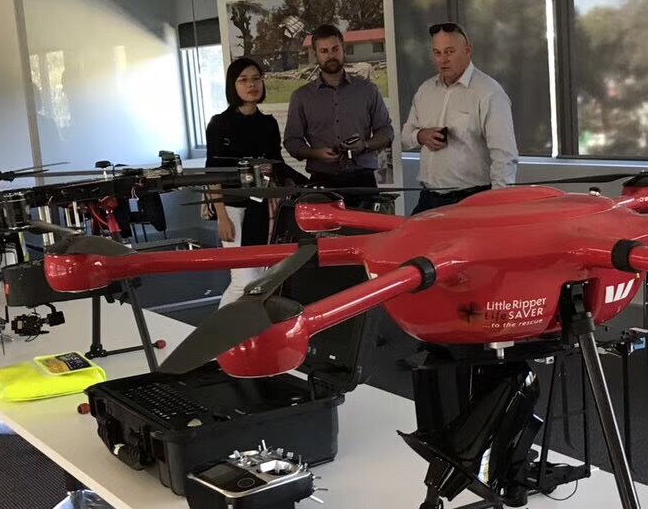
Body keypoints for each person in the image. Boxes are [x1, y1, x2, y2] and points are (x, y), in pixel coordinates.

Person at [203, 57, 298, 305]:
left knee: (260, 277)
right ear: (232, 85)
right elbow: (213, 173)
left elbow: (277, 163)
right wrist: (221, 216)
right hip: (231, 208)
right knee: (243, 279)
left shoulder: (268, 124)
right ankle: (221, 327)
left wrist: (300, 183)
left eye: (256, 79)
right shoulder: (219, 124)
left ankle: (251, 325)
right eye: (243, 80)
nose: (251, 85)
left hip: (261, 206)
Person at [400, 22, 518, 213]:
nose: (443, 60)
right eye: (437, 53)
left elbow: (504, 155)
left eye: (449, 52)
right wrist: (421, 136)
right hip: (428, 198)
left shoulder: (488, 93)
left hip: (471, 200)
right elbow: (405, 137)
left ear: (468, 50)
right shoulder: (425, 91)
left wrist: (498, 206)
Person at [283, 24, 394, 205]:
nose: (330, 55)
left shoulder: (368, 90)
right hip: (322, 181)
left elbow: (386, 131)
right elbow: (291, 141)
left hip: (362, 181)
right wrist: (316, 153)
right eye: (324, 51)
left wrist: (364, 145)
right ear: (316, 55)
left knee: (366, 224)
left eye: (335, 49)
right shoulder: (301, 97)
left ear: (343, 49)